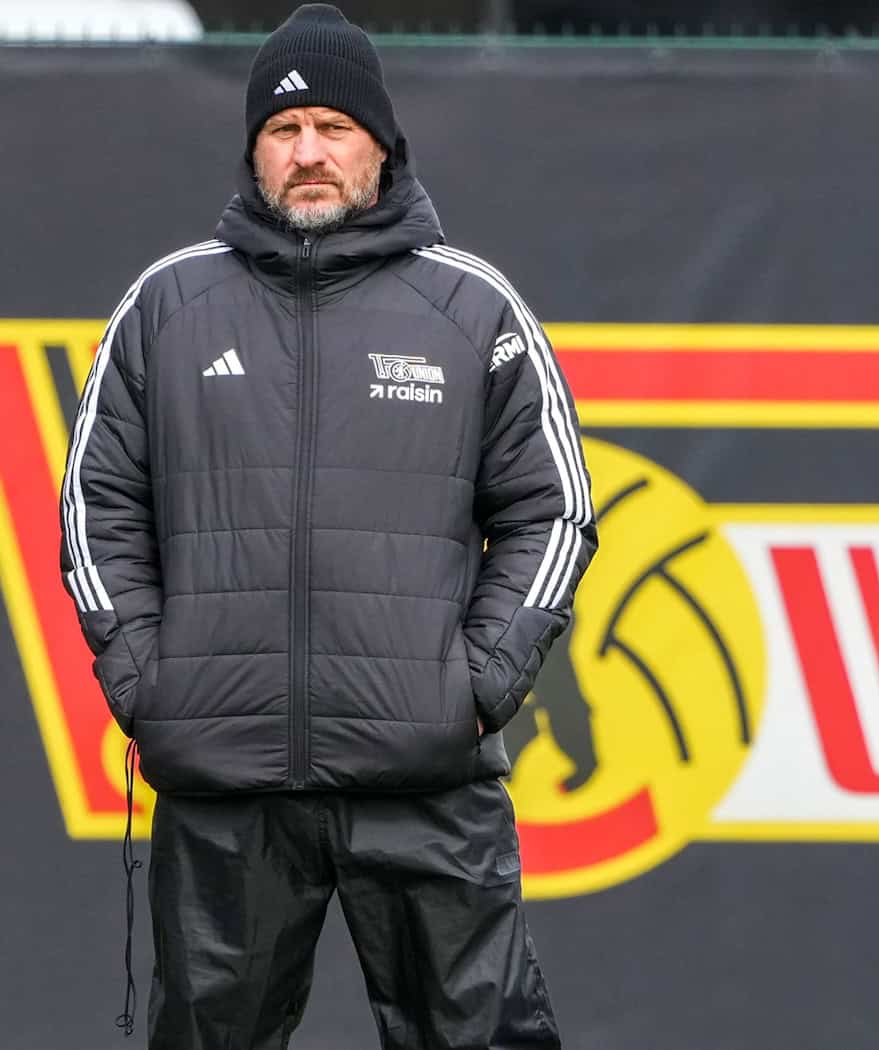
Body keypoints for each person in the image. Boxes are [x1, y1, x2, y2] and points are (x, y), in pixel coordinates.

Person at [56, 5, 596, 1047]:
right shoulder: (165, 308)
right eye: (283, 131)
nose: (308, 153)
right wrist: (147, 682)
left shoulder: (469, 307)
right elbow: (95, 505)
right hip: (226, 783)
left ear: (382, 147)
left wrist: (478, 685)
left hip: (425, 775)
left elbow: (553, 508)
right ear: (253, 150)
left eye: (334, 128)